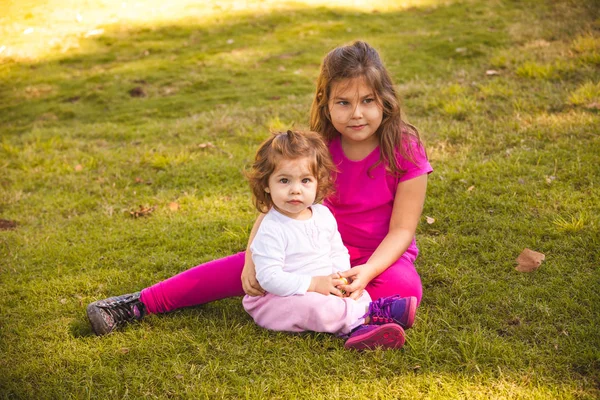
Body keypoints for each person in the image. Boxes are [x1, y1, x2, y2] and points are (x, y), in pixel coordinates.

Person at [86, 41, 432, 349]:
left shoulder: (404, 148)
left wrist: (369, 270)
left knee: (406, 288)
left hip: (379, 255)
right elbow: (275, 209)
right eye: (343, 102)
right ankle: (141, 303)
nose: (356, 113)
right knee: (244, 271)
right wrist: (252, 258)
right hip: (307, 247)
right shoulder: (317, 148)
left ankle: (357, 319)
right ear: (325, 104)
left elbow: (402, 230)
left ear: (384, 100)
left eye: (367, 101)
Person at [240, 129, 416, 350]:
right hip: (277, 299)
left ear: (317, 183)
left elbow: (336, 249)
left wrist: (341, 278)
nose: (295, 190)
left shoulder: (322, 214)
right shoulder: (272, 228)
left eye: (305, 181)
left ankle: (363, 319)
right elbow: (269, 277)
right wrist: (313, 284)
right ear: (266, 184)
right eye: (284, 180)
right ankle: (366, 321)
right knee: (313, 306)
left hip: (321, 285)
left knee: (353, 294)